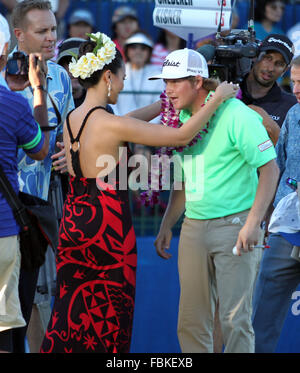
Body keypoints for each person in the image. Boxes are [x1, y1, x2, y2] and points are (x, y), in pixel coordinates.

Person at [39, 33, 238, 353]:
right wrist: (218, 98)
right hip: (107, 229)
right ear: (107, 77)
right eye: (121, 79)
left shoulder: (75, 118)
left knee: (71, 315)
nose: (121, 85)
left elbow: (127, 121)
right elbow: (180, 136)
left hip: (74, 224)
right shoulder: (112, 124)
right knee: (109, 319)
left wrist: (163, 102)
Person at [153, 48, 279, 353]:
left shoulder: (237, 114)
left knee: (235, 321)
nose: (167, 89)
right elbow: (185, 180)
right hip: (194, 227)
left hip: (236, 225)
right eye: (165, 81)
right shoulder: (182, 119)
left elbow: (270, 170)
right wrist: (167, 223)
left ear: (197, 82)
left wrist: (252, 224)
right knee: (191, 322)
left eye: (175, 81)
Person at [8, 0, 74, 353]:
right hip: (5, 207)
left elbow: (68, 133)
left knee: (37, 297)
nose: (51, 38)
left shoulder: (61, 76)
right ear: (19, 35)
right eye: (42, 31)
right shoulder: (3, 79)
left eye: (53, 29)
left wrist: (67, 152)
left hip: (42, 207)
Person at [0, 13, 49, 353]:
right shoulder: (13, 104)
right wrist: (37, 91)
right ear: (5, 55)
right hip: (4, 232)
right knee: (4, 326)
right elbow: (40, 150)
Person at [252, 55, 300, 353]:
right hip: (284, 230)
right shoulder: (294, 115)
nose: (297, 88)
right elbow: (279, 168)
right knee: (259, 320)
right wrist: (267, 220)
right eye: (294, 81)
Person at [240, 34, 297, 144]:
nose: (270, 68)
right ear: (255, 56)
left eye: (279, 64)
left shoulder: (292, 107)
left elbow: (292, 156)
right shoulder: (229, 90)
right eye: (267, 58)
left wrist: (273, 130)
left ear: (285, 70)